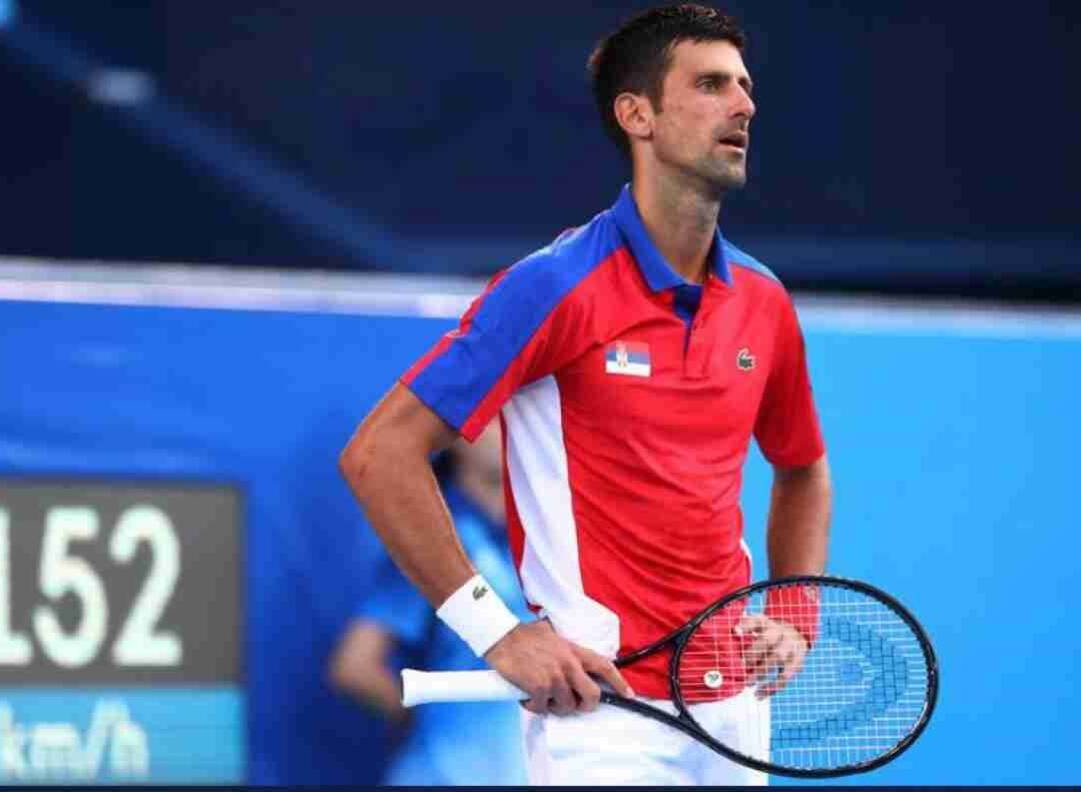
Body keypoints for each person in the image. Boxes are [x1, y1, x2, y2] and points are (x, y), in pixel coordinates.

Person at [339, 4, 832, 785]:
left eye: (744, 85)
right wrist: (497, 634)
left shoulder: (764, 301)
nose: (744, 105)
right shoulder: (554, 286)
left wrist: (796, 615)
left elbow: (802, 468)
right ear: (636, 114)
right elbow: (378, 453)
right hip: (605, 720)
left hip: (738, 709)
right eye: (711, 84)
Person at [328, 424, 531, 786]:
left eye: (513, 416)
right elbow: (355, 666)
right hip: (442, 775)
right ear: (453, 439)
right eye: (491, 420)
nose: (506, 428)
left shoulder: (547, 536)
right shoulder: (432, 541)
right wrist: (430, 719)